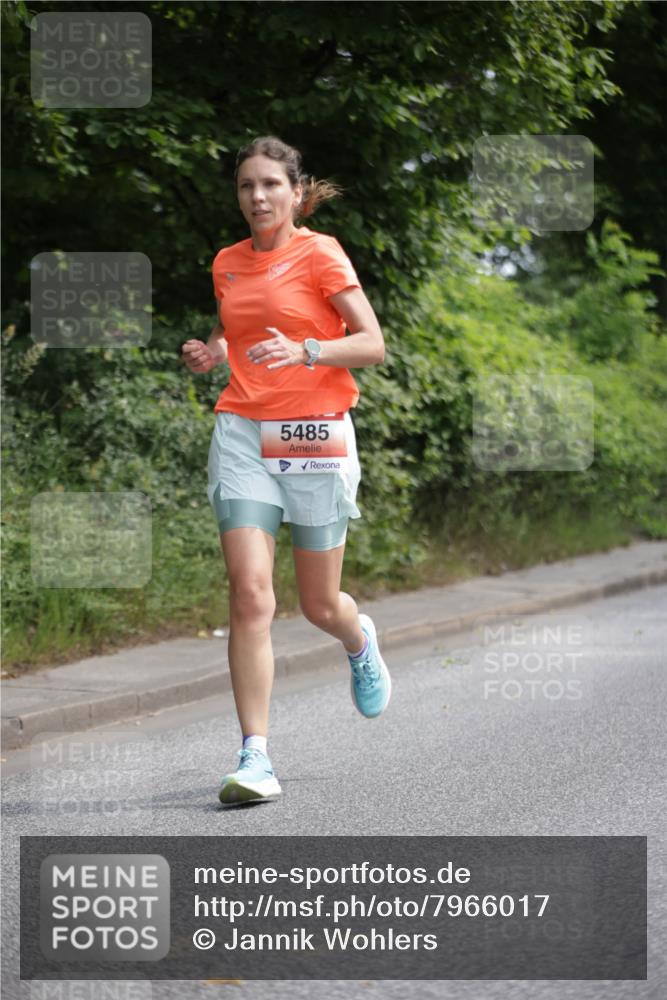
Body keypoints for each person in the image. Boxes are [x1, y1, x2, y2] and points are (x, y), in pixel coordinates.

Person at [181, 135, 390, 806]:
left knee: (318, 604)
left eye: (270, 184)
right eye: (246, 185)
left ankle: (357, 639)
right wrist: (214, 351)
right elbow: (236, 326)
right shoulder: (227, 262)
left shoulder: (321, 253)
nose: (258, 196)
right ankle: (255, 757)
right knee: (249, 594)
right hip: (243, 428)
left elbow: (372, 345)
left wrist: (307, 350)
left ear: (295, 193)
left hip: (314, 432)